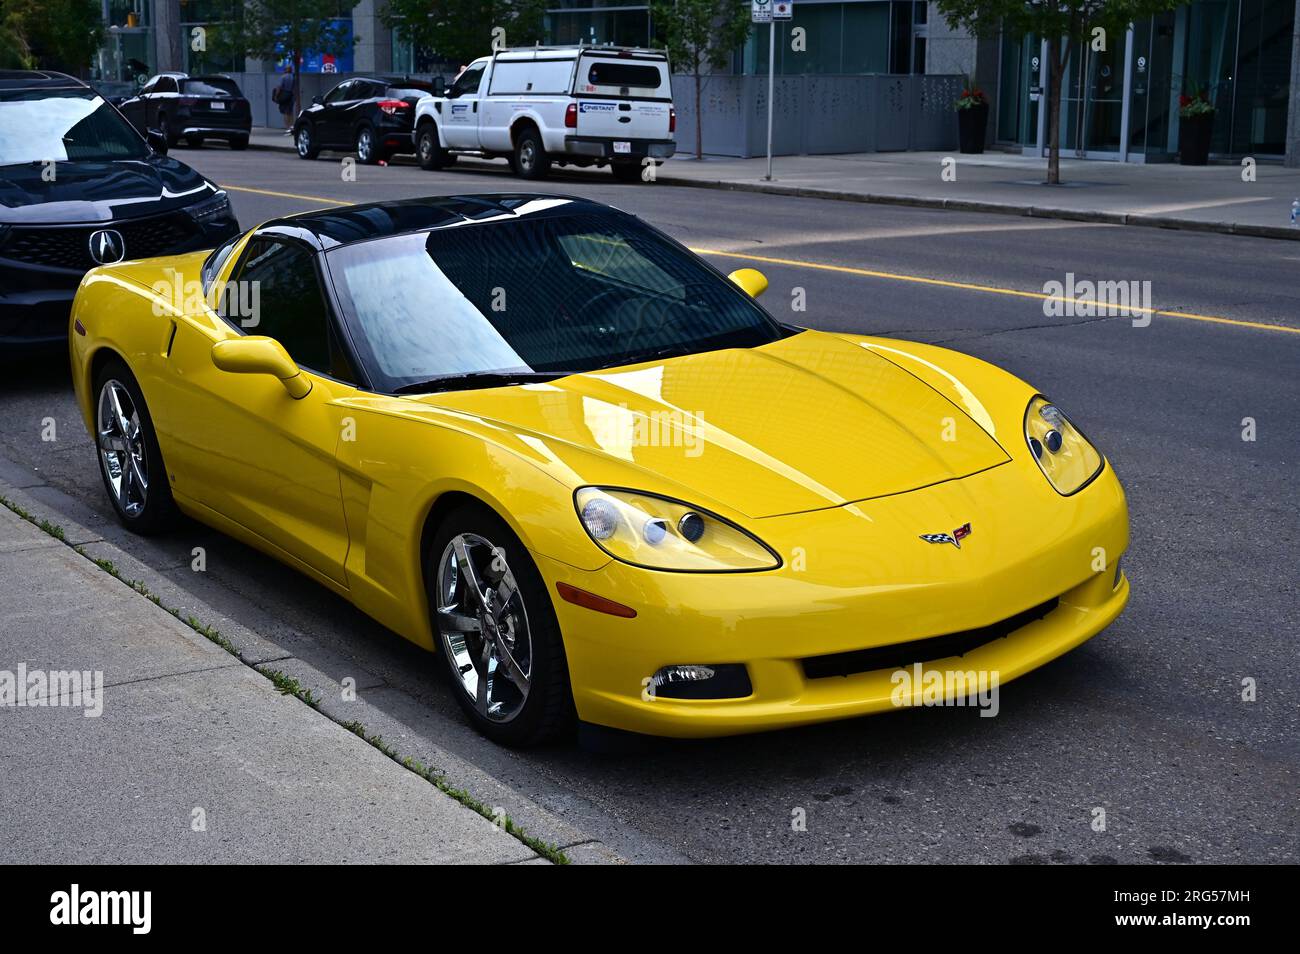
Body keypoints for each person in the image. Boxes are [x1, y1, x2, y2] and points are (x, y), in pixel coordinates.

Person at [274, 65, 295, 134]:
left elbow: (279, 87)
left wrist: (276, 96)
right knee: (290, 111)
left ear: (285, 70)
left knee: (285, 112)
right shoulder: (293, 77)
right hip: (291, 95)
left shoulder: (283, 77)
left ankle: (287, 127)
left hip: (284, 95)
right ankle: (292, 126)